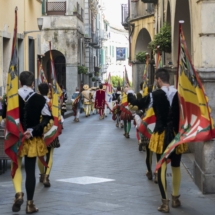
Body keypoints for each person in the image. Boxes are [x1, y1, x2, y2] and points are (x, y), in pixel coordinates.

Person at [128, 68, 187, 213]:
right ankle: (175, 198)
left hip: (161, 135)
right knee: (176, 166)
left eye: (156, 80)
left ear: (159, 79)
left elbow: (137, 104)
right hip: (176, 135)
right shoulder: (179, 94)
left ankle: (165, 203)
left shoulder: (154, 95)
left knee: (161, 166)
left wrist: (129, 92)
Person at [2, 71, 52, 213]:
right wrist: (34, 130)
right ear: (32, 83)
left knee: (15, 166)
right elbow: (48, 118)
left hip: (15, 137)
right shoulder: (40, 99)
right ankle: (30, 204)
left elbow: (6, 115)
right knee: (30, 171)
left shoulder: (11, 97)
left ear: (19, 83)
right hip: (32, 139)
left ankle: (18, 194)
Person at [37, 82, 60, 188]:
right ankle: (47, 176)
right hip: (50, 130)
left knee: (39, 154)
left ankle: (41, 175)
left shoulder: (34, 102)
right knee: (50, 155)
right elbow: (59, 118)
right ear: (48, 91)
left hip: (38, 130)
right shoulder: (51, 102)